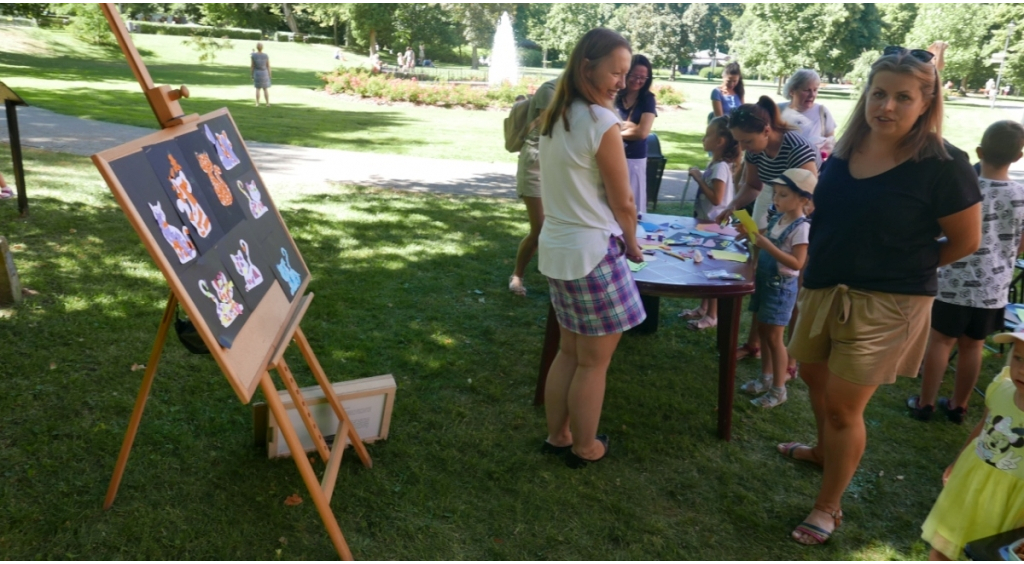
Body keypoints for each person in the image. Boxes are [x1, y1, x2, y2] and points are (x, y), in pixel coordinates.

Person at [781, 47, 982, 545]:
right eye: (878, 94)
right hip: (825, 287)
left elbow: (966, 241)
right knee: (812, 377)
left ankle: (828, 507)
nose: (886, 106)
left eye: (902, 97)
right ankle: (823, 453)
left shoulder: (944, 164)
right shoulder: (846, 149)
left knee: (844, 408)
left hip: (887, 304)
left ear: (926, 102)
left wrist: (905, 266)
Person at [537, 28, 646, 469]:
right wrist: (634, 243)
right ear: (587, 67)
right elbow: (623, 201)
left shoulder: (555, 115)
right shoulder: (601, 122)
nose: (622, 81)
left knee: (570, 351)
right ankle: (585, 447)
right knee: (593, 363)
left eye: (626, 73)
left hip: (558, 248)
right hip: (593, 253)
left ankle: (558, 435)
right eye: (616, 72)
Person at [909, 120, 1024, 423]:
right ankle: (958, 405)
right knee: (973, 345)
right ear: (1018, 156)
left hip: (952, 283)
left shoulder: (964, 188)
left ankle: (926, 402)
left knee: (940, 341)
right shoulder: (1020, 196)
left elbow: (938, 231)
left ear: (979, 151)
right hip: (993, 288)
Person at [716, 97, 817, 362]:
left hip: (803, 224)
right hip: (780, 215)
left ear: (766, 131)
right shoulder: (755, 149)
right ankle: (754, 345)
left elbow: (810, 200)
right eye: (740, 142)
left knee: (792, 288)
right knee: (764, 280)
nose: (743, 148)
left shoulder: (797, 149)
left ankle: (792, 359)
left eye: (747, 141)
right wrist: (733, 205)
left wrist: (779, 232)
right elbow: (753, 186)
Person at [920, 330, 1024, 560]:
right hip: (971, 483)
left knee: (990, 554)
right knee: (945, 542)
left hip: (1012, 502)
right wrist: (956, 463)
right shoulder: (1001, 389)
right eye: (1019, 358)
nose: (1022, 369)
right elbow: (982, 428)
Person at [737, 169, 813, 408]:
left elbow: (798, 263)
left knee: (775, 338)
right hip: (765, 282)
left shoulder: (801, 228)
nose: (776, 199)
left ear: (803, 199)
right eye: (775, 194)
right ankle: (766, 378)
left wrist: (768, 245)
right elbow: (763, 236)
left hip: (781, 288)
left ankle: (779, 390)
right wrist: (749, 234)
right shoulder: (777, 218)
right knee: (764, 332)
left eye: (783, 195)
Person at [679, 116, 740, 330]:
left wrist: (698, 178)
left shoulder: (721, 167)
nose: (704, 139)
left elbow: (716, 198)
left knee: (710, 271)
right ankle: (703, 308)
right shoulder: (715, 163)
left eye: (708, 135)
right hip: (706, 225)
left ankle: (712, 316)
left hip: (715, 227)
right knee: (703, 267)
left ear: (720, 141)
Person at [509, 78, 557, 297]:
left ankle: (557, 275)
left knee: (559, 225)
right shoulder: (550, 90)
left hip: (559, 162)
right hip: (536, 163)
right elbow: (551, 124)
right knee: (540, 228)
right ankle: (517, 275)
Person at [615, 54, 657, 216]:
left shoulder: (648, 99)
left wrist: (615, 132)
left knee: (634, 206)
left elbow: (642, 132)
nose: (638, 80)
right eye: (634, 75)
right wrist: (630, 127)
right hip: (612, 155)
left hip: (634, 159)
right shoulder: (615, 94)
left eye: (643, 77)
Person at [779, 69, 837, 166]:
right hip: (781, 168)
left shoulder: (822, 112)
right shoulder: (777, 110)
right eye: (806, 90)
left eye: (815, 90)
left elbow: (830, 142)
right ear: (792, 91)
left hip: (813, 170)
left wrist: (824, 153)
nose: (812, 95)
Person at [251, 42, 271, 107]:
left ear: (257, 47)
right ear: (262, 48)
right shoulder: (266, 55)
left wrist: (252, 74)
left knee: (257, 88)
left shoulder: (253, 56)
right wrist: (269, 74)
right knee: (265, 89)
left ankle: (257, 103)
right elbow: (268, 66)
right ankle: (267, 103)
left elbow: (252, 66)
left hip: (257, 73)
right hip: (265, 73)